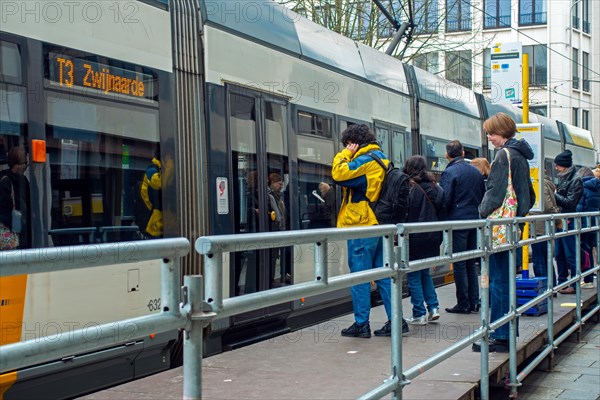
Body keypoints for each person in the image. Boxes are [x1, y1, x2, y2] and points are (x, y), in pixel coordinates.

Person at [332, 124, 407, 338]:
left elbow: (338, 174)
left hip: (362, 224)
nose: (347, 148)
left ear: (353, 143)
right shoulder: (381, 158)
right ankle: (396, 320)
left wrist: (345, 154)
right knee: (382, 275)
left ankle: (361, 323)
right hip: (378, 224)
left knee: (360, 275)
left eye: (347, 145)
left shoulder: (365, 160)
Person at [473, 113, 535, 353]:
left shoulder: (502, 156)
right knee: (507, 279)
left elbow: (495, 193)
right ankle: (507, 333)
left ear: (502, 132)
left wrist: (482, 211)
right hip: (512, 227)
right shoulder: (520, 156)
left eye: (492, 133)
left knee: (498, 281)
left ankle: (500, 335)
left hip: (499, 227)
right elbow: (529, 195)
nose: (489, 138)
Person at [440, 140, 485, 314]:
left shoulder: (449, 172)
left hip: (458, 222)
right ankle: (474, 300)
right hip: (474, 220)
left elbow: (446, 199)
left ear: (447, 155)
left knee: (459, 263)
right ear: (463, 153)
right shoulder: (475, 171)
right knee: (471, 262)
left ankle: (463, 303)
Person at [403, 155, 446, 325]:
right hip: (433, 237)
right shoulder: (437, 187)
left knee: (413, 275)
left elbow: (405, 214)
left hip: (414, 237)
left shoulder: (409, 188)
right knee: (424, 273)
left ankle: (419, 313)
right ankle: (433, 308)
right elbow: (443, 213)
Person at [553, 149, 583, 294]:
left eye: (557, 165)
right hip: (562, 219)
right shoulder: (566, 178)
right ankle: (562, 282)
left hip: (568, 220)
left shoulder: (575, 180)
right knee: (559, 253)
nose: (556, 168)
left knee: (570, 253)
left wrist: (555, 195)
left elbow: (570, 203)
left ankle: (574, 284)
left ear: (564, 166)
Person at [529, 174, 560, 284]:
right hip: (544, 225)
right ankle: (551, 285)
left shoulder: (539, 183)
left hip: (538, 225)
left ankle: (545, 288)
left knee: (539, 259)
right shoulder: (547, 183)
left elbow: (546, 205)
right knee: (546, 257)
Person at [0, 147, 31, 250]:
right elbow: (3, 211)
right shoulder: (6, 181)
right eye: (24, 163)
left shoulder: (24, 180)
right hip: (12, 233)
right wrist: (17, 225)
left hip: (24, 233)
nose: (26, 166)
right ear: (16, 164)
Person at [575, 167, 600, 287]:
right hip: (594, 224)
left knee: (583, 250)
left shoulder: (582, 187)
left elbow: (579, 207)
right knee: (589, 249)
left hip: (583, 224)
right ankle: (589, 278)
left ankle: (587, 278)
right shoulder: (597, 187)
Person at [267, 172, 290, 286]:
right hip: (275, 230)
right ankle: (270, 279)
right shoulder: (271, 196)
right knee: (273, 256)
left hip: (281, 230)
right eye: (279, 184)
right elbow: (277, 214)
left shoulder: (279, 196)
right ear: (272, 183)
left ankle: (280, 276)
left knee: (277, 256)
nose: (281, 186)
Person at [138, 149, 163, 238]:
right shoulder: (152, 169)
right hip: (151, 223)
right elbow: (158, 183)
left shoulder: (160, 170)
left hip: (158, 222)